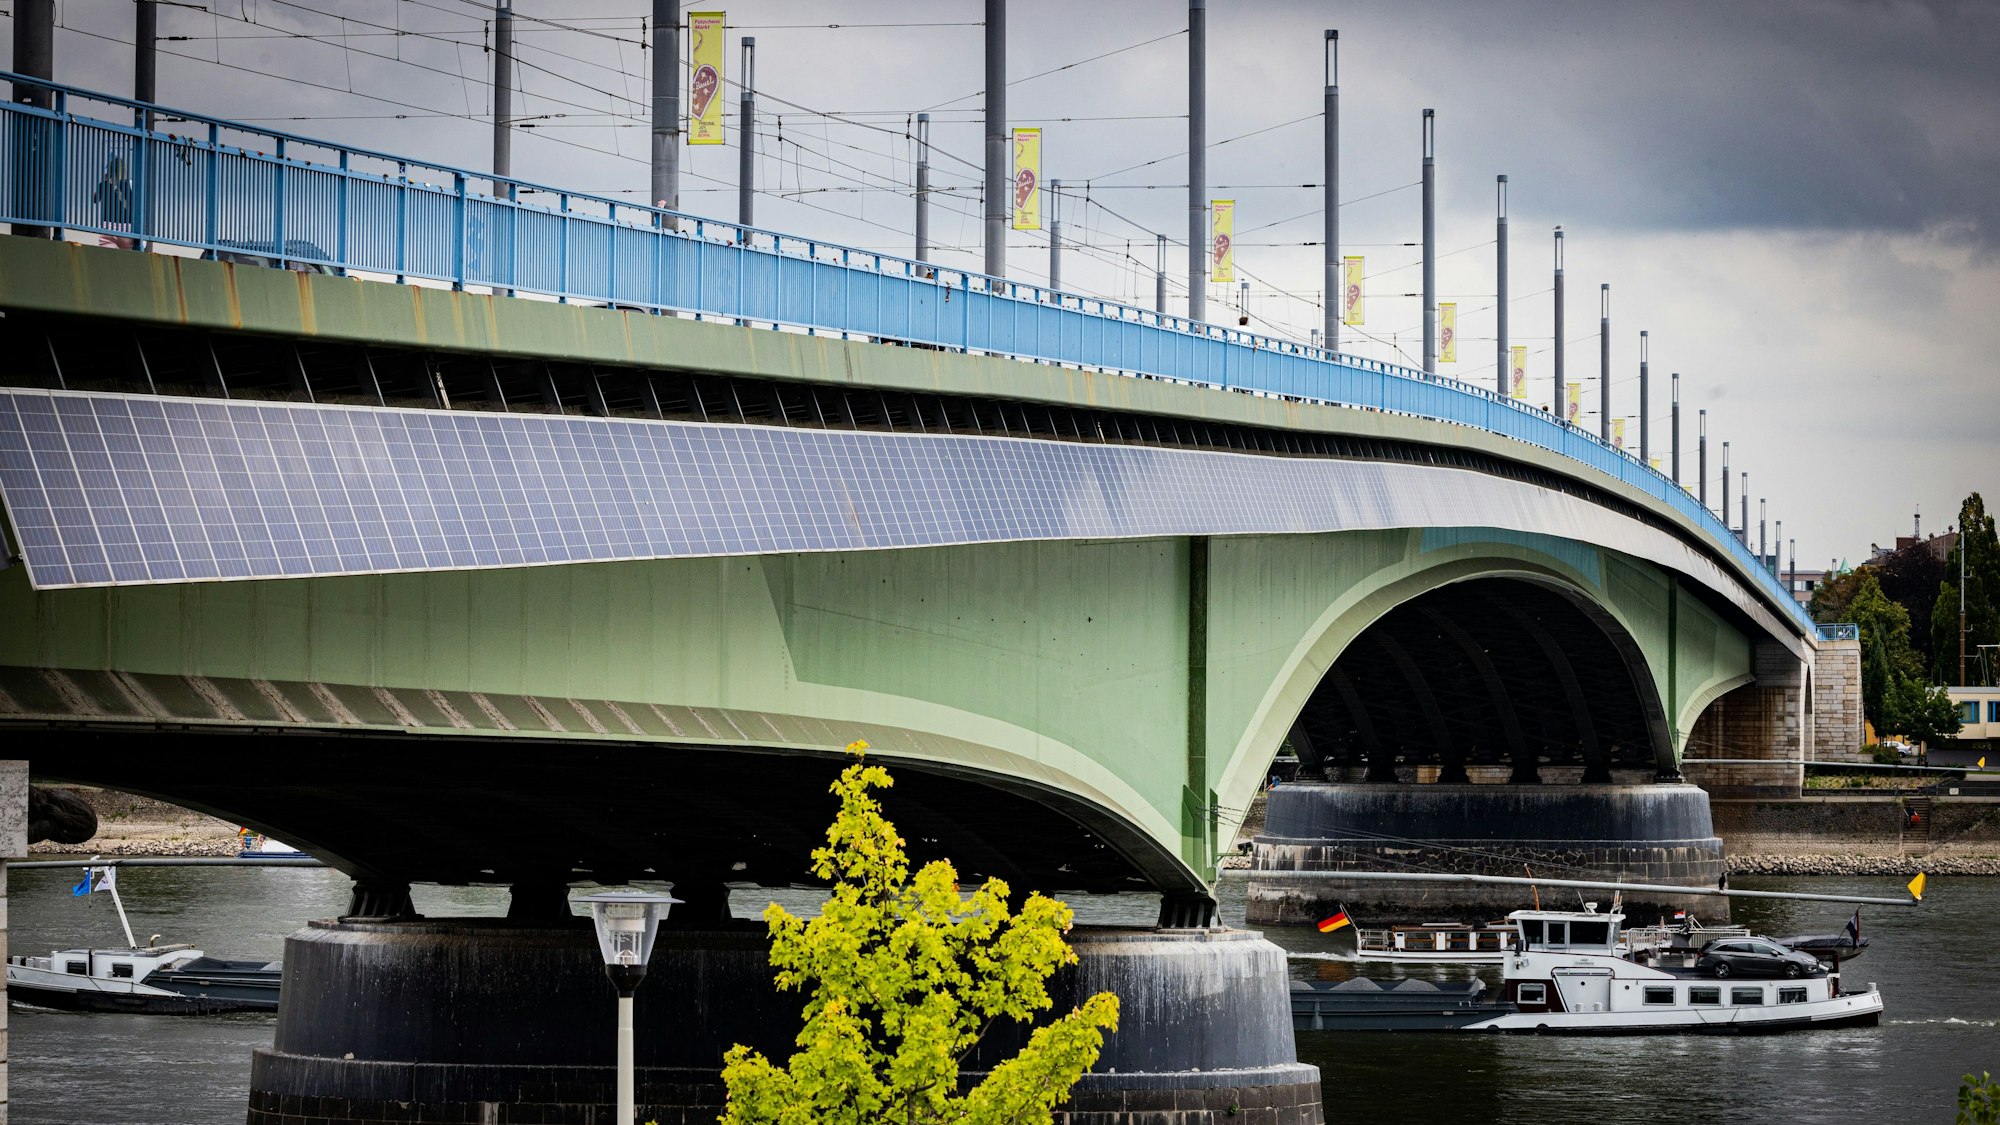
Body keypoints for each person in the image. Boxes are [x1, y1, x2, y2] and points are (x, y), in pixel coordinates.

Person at [93, 155, 136, 250]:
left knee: (107, 256)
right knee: (128, 257)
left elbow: (95, 199)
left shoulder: (104, 184)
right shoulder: (130, 184)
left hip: (108, 227)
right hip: (127, 228)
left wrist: (105, 181)